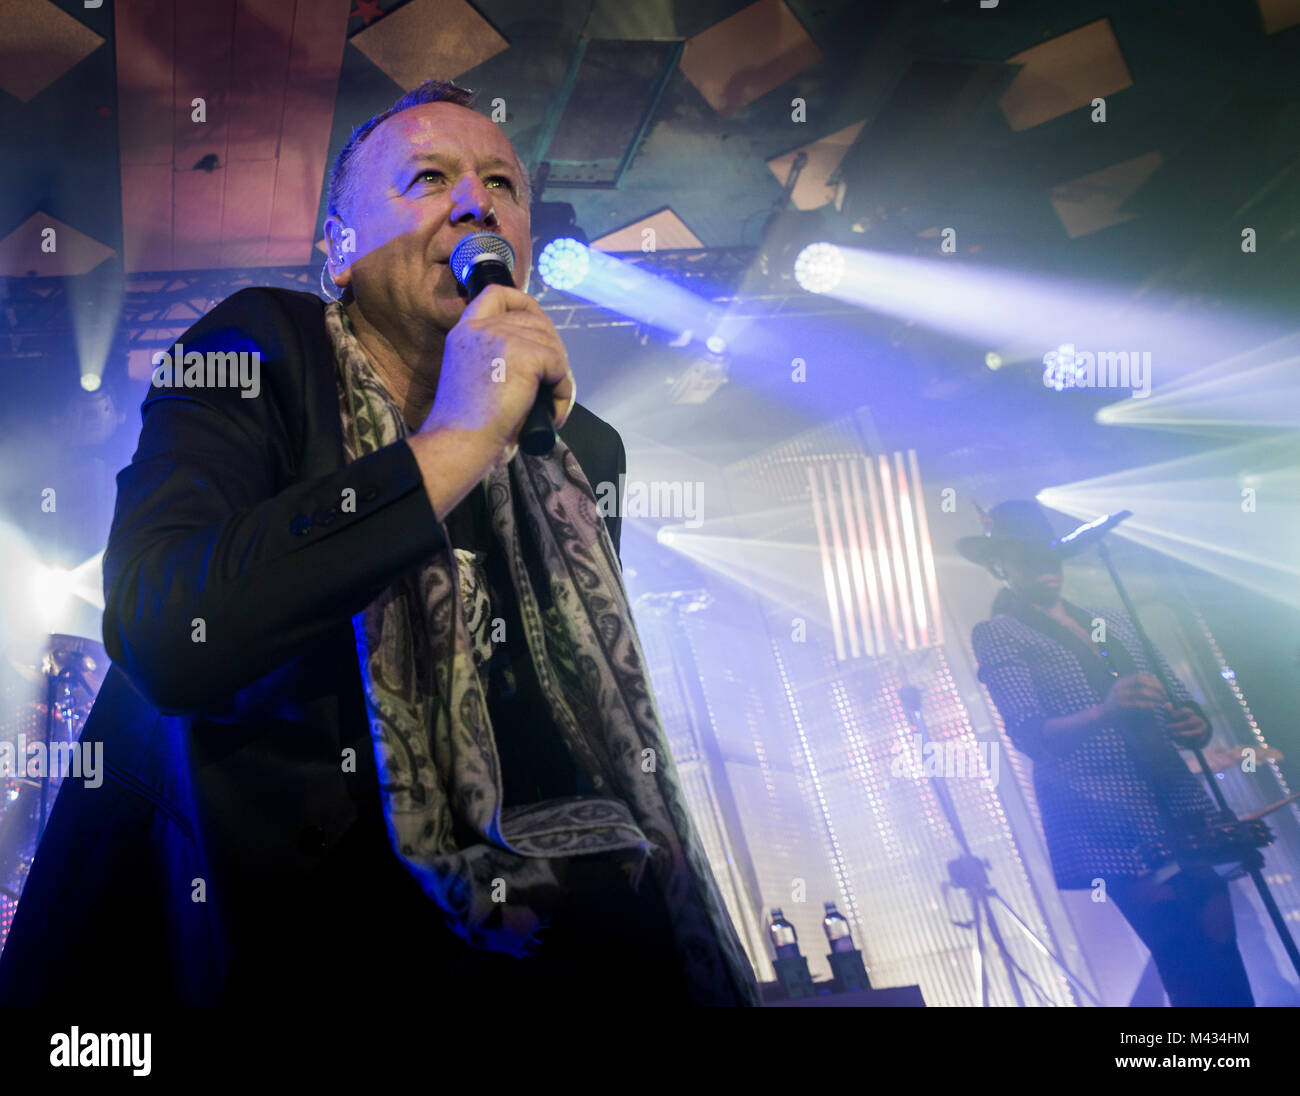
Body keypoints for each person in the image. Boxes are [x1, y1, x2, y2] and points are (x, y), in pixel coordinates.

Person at [0, 79, 758, 1008]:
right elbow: (166, 628)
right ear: (341, 250)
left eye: (502, 186)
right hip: (262, 941)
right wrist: (452, 445)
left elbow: (565, 721)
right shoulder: (257, 349)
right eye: (430, 177)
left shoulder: (579, 448)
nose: (477, 202)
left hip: (496, 955)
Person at [960, 500, 1254, 1006]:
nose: (1044, 567)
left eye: (1049, 555)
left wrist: (1194, 723)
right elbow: (1031, 735)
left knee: (1223, 952)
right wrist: (1104, 710)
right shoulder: (998, 633)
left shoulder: (1114, 621)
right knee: (1184, 958)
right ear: (999, 566)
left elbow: (1180, 704)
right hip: (1105, 819)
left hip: (1178, 805)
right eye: (1027, 558)